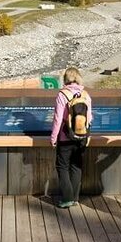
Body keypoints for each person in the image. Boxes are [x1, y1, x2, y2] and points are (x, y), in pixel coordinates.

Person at [50, 67, 93, 208]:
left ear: (65, 79)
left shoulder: (62, 95)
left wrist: (53, 138)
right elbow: (90, 118)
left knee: (62, 166)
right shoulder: (85, 94)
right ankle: (75, 198)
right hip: (81, 136)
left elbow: (57, 119)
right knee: (76, 166)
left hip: (65, 136)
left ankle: (67, 198)